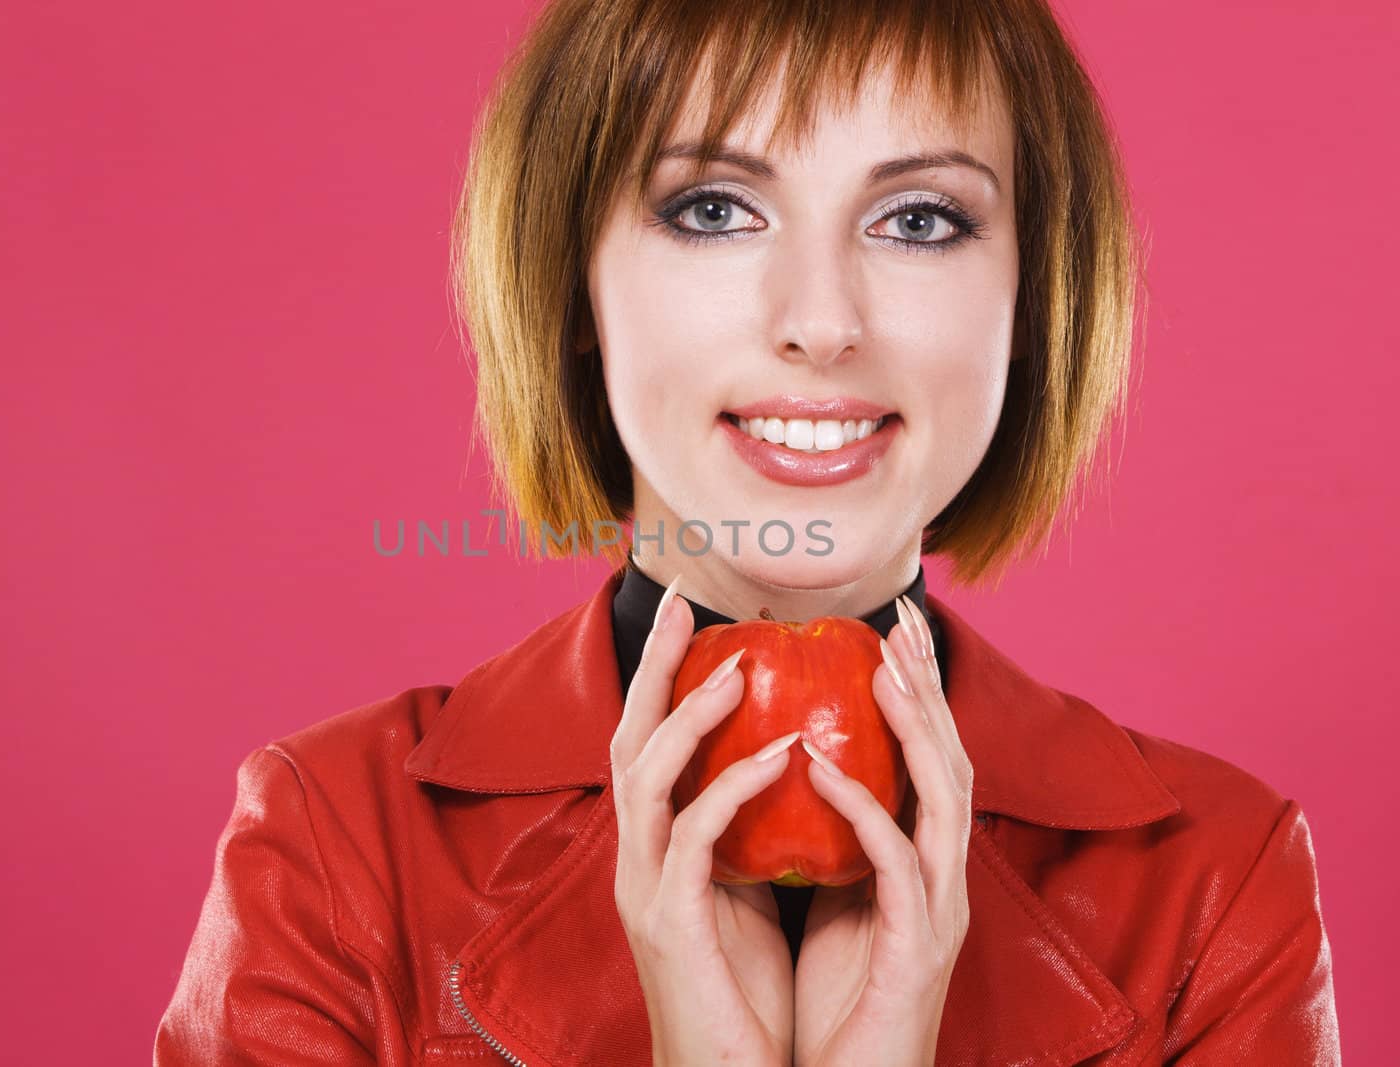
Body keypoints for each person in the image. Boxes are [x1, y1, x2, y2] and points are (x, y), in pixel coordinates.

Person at [154, 0, 1341, 1063]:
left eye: (920, 219)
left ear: (1034, 297)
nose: (820, 322)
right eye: (713, 208)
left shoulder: (1215, 894)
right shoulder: (336, 848)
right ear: (572, 283)